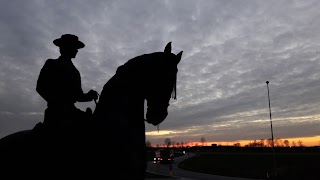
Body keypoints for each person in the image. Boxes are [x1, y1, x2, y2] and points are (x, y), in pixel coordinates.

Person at [36, 34, 98, 140]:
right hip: (56, 113)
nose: (77, 51)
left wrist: (89, 96)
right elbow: (40, 87)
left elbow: (78, 96)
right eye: (74, 47)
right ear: (66, 47)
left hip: (71, 111)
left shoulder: (75, 71)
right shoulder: (52, 63)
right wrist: (57, 102)